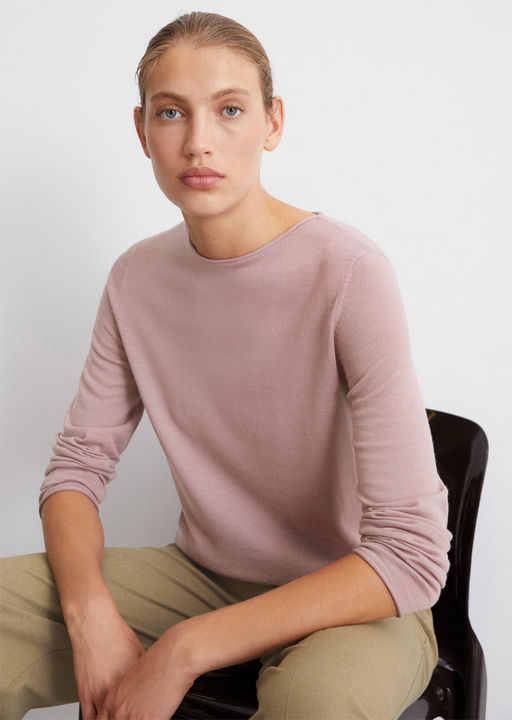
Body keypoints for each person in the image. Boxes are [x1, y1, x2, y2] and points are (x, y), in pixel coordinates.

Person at [0, 10, 453, 720]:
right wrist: (89, 617)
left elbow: (411, 554)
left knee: (313, 701)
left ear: (273, 122)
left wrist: (186, 647)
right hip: (204, 578)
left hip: (355, 596)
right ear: (142, 131)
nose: (198, 141)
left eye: (230, 110)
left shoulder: (348, 273)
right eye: (171, 112)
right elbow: (76, 469)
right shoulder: (136, 280)